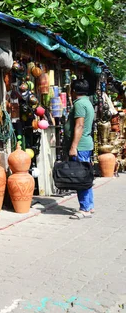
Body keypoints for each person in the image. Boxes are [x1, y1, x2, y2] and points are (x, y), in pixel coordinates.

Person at [63, 78, 95, 219]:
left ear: (74, 91)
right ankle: (89, 205)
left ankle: (85, 208)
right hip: (85, 144)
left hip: (80, 146)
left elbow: (79, 125)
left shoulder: (80, 105)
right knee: (85, 176)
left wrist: (73, 146)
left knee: (80, 177)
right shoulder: (87, 102)